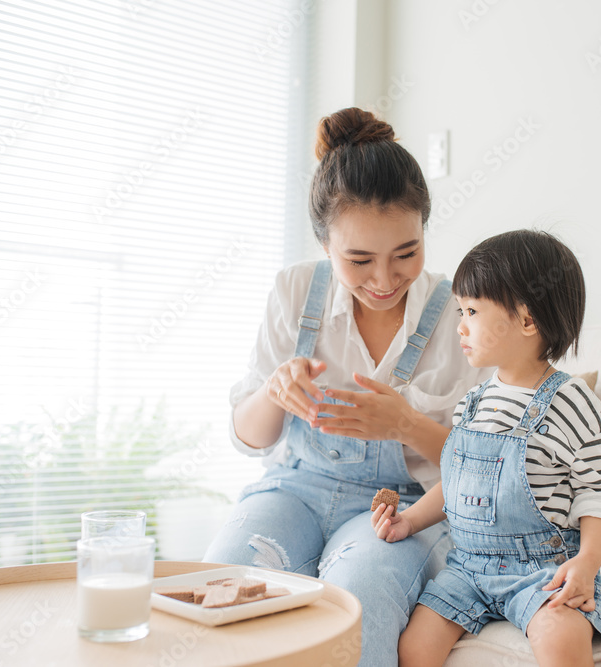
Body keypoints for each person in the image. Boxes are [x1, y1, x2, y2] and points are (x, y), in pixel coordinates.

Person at [203, 107, 490, 667]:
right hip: (293, 491)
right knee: (231, 579)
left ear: (425, 230)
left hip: (402, 507)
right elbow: (249, 436)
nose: (384, 281)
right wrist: (275, 392)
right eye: (358, 260)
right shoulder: (294, 291)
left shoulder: (464, 313)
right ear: (325, 247)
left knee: (359, 599)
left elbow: (481, 466)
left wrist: (406, 424)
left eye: (407, 253)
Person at [371, 229, 601, 667]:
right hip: (467, 568)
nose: (460, 326)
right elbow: (457, 483)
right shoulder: (473, 402)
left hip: (543, 571)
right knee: (413, 647)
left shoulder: (574, 402)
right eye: (458, 310)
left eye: (471, 311)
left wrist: (585, 563)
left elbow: (598, 495)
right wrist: (408, 521)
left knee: (561, 640)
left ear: (526, 321)